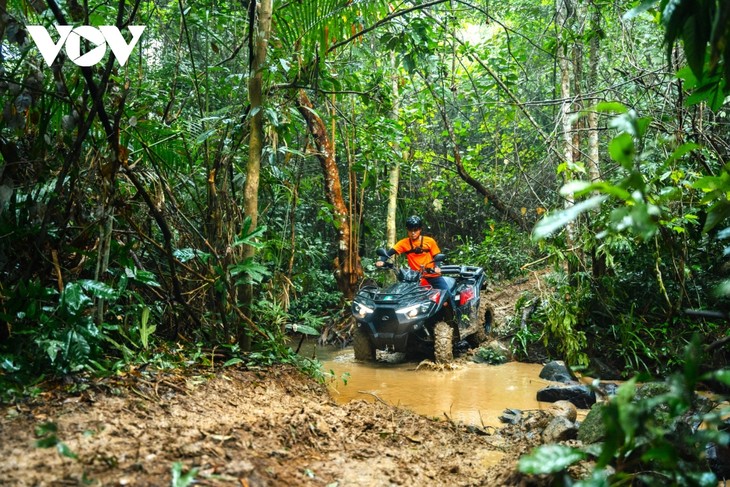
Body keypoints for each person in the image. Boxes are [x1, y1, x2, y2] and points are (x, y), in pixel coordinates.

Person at [375, 215, 450, 290]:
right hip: (415, 278)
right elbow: (389, 252)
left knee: (446, 293)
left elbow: (437, 256)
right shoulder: (403, 243)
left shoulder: (429, 241)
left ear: (420, 229)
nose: (413, 233)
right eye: (410, 230)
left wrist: (437, 267)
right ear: (407, 230)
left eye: (415, 230)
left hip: (433, 276)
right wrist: (382, 261)